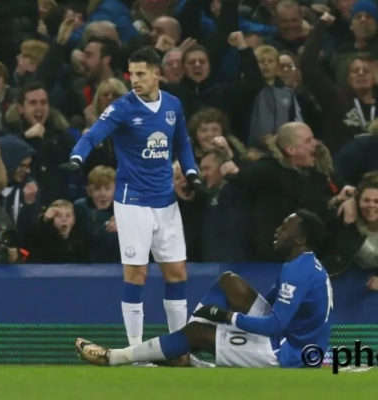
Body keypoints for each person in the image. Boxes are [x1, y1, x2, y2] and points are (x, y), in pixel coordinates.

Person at [59, 47, 207, 366]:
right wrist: (77, 157)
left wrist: (192, 172)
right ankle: (136, 354)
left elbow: (182, 142)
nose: (135, 80)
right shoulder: (123, 107)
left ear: (157, 74)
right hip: (133, 202)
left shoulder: (172, 105)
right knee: (137, 275)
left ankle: (179, 351)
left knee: (177, 273)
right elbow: (94, 135)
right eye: (131, 74)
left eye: (141, 74)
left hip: (166, 202)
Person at [75, 209, 334, 368]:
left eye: (285, 227)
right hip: (297, 343)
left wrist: (226, 317)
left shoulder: (297, 271)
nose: (278, 230)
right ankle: (181, 349)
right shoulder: (304, 265)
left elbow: (274, 325)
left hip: (288, 354)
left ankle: (115, 357)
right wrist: (232, 320)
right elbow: (271, 309)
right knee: (228, 281)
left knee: (196, 332)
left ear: (300, 239)